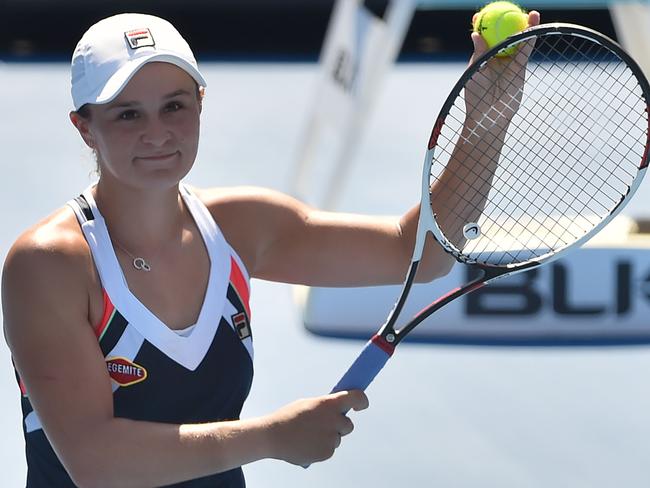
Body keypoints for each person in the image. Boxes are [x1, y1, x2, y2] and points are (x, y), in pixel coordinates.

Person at [1, 10, 540, 488]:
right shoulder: (48, 265)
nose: (158, 133)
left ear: (200, 104)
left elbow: (416, 252)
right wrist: (271, 437)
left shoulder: (242, 225)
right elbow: (95, 465)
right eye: (127, 114)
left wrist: (487, 121)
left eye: (174, 106)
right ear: (84, 127)